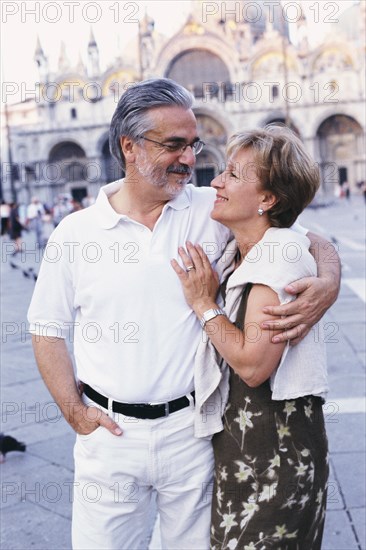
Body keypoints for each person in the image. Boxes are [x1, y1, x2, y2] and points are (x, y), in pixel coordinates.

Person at [28, 79, 340, 550]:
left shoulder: (208, 209)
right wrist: (75, 413)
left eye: (192, 145)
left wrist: (330, 280)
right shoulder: (75, 233)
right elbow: (46, 329)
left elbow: (300, 235)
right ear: (130, 147)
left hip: (192, 434)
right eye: (174, 145)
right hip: (110, 438)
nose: (190, 159)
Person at [171, 126, 331, 549]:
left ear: (267, 199)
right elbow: (317, 239)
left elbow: (253, 364)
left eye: (234, 175)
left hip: (275, 459)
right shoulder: (242, 251)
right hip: (242, 454)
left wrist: (204, 304)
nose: (217, 182)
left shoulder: (278, 255)